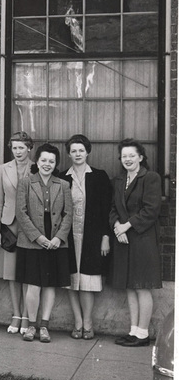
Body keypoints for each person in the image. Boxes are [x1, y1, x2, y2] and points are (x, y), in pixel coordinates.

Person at [16, 143, 73, 344]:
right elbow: (21, 213)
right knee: (33, 284)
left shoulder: (64, 184)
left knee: (50, 285)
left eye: (51, 161)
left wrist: (58, 238)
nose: (47, 164)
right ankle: (31, 325)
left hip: (56, 240)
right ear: (37, 162)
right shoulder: (25, 183)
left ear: (56, 163)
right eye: (43, 160)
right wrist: (38, 237)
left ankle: (45, 326)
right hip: (33, 240)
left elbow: (68, 214)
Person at [57, 134, 112, 340]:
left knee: (87, 281)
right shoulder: (63, 177)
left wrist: (105, 236)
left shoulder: (99, 176)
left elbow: (106, 208)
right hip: (69, 236)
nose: (77, 154)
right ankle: (77, 321)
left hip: (91, 236)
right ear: (69, 154)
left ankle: (88, 322)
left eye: (81, 150)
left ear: (87, 152)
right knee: (71, 281)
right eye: (74, 151)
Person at [108, 139, 163, 347]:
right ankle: (134, 330)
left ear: (141, 157)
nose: (128, 159)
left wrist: (126, 226)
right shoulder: (120, 181)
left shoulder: (150, 178)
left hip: (142, 239)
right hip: (123, 239)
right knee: (130, 287)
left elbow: (151, 209)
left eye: (132, 155)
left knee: (142, 286)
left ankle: (143, 334)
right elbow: (113, 208)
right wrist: (116, 227)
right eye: (124, 156)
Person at [0, 131, 34, 334]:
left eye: (21, 147)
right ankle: (16, 314)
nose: (18, 151)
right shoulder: (2, 169)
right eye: (14, 147)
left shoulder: (36, 167)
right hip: (8, 225)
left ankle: (27, 315)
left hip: (31, 227)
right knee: (10, 274)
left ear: (29, 148)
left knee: (28, 273)